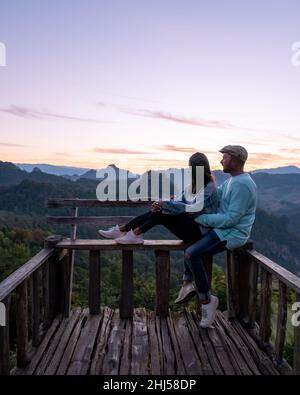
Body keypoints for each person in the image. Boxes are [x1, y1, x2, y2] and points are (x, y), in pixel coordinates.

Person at [178, 145, 257, 328]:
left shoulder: (243, 184)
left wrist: (200, 218)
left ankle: (207, 300)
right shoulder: (231, 181)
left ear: (236, 160)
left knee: (191, 254)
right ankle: (187, 282)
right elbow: (213, 197)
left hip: (232, 234)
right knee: (192, 238)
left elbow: (231, 218)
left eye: (225, 157)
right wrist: (184, 199)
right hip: (222, 229)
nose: (221, 160)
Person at [98, 152, 218, 253]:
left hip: (199, 234)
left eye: (191, 167)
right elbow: (180, 199)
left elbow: (193, 208)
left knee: (160, 213)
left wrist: (165, 204)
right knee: (158, 211)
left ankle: (131, 233)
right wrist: (165, 202)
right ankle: (126, 231)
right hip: (190, 227)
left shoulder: (209, 188)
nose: (189, 170)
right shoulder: (194, 186)